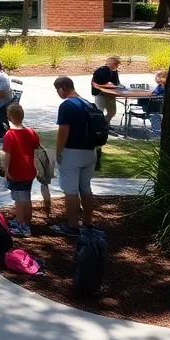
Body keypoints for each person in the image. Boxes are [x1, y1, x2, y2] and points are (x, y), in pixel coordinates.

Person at [53, 75, 97, 236]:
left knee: (70, 191)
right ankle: (88, 221)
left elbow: (63, 131)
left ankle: (72, 226)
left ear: (61, 89)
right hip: (90, 152)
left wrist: (58, 152)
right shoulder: (88, 103)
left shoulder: (66, 106)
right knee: (85, 188)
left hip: (72, 152)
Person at [0, 103, 40, 237]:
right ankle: (26, 222)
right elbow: (36, 147)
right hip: (29, 169)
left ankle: (21, 225)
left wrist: (6, 171)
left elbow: (7, 155)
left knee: (19, 199)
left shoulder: (9, 135)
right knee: (26, 196)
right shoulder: (31, 131)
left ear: (9, 117)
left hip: (16, 170)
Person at [91, 55, 122, 126]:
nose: (116, 67)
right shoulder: (101, 71)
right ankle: (100, 126)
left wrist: (116, 87)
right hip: (101, 94)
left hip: (110, 94)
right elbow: (96, 83)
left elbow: (115, 82)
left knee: (112, 112)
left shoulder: (114, 72)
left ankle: (105, 124)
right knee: (100, 111)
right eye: (116, 65)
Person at [137, 69, 165, 137]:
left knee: (154, 117)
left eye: (157, 77)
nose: (156, 79)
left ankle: (156, 135)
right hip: (154, 106)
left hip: (156, 107)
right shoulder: (160, 86)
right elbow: (154, 94)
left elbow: (156, 95)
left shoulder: (162, 87)